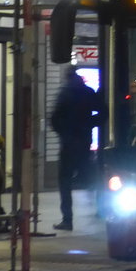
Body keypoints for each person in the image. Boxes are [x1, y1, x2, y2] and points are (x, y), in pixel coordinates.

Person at [50, 66, 99, 231]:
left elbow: (54, 118)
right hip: (85, 142)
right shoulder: (88, 92)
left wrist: (64, 133)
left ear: (67, 76)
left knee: (64, 181)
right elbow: (103, 112)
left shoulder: (64, 93)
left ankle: (67, 219)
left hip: (69, 144)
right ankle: (105, 209)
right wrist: (90, 124)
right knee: (93, 177)